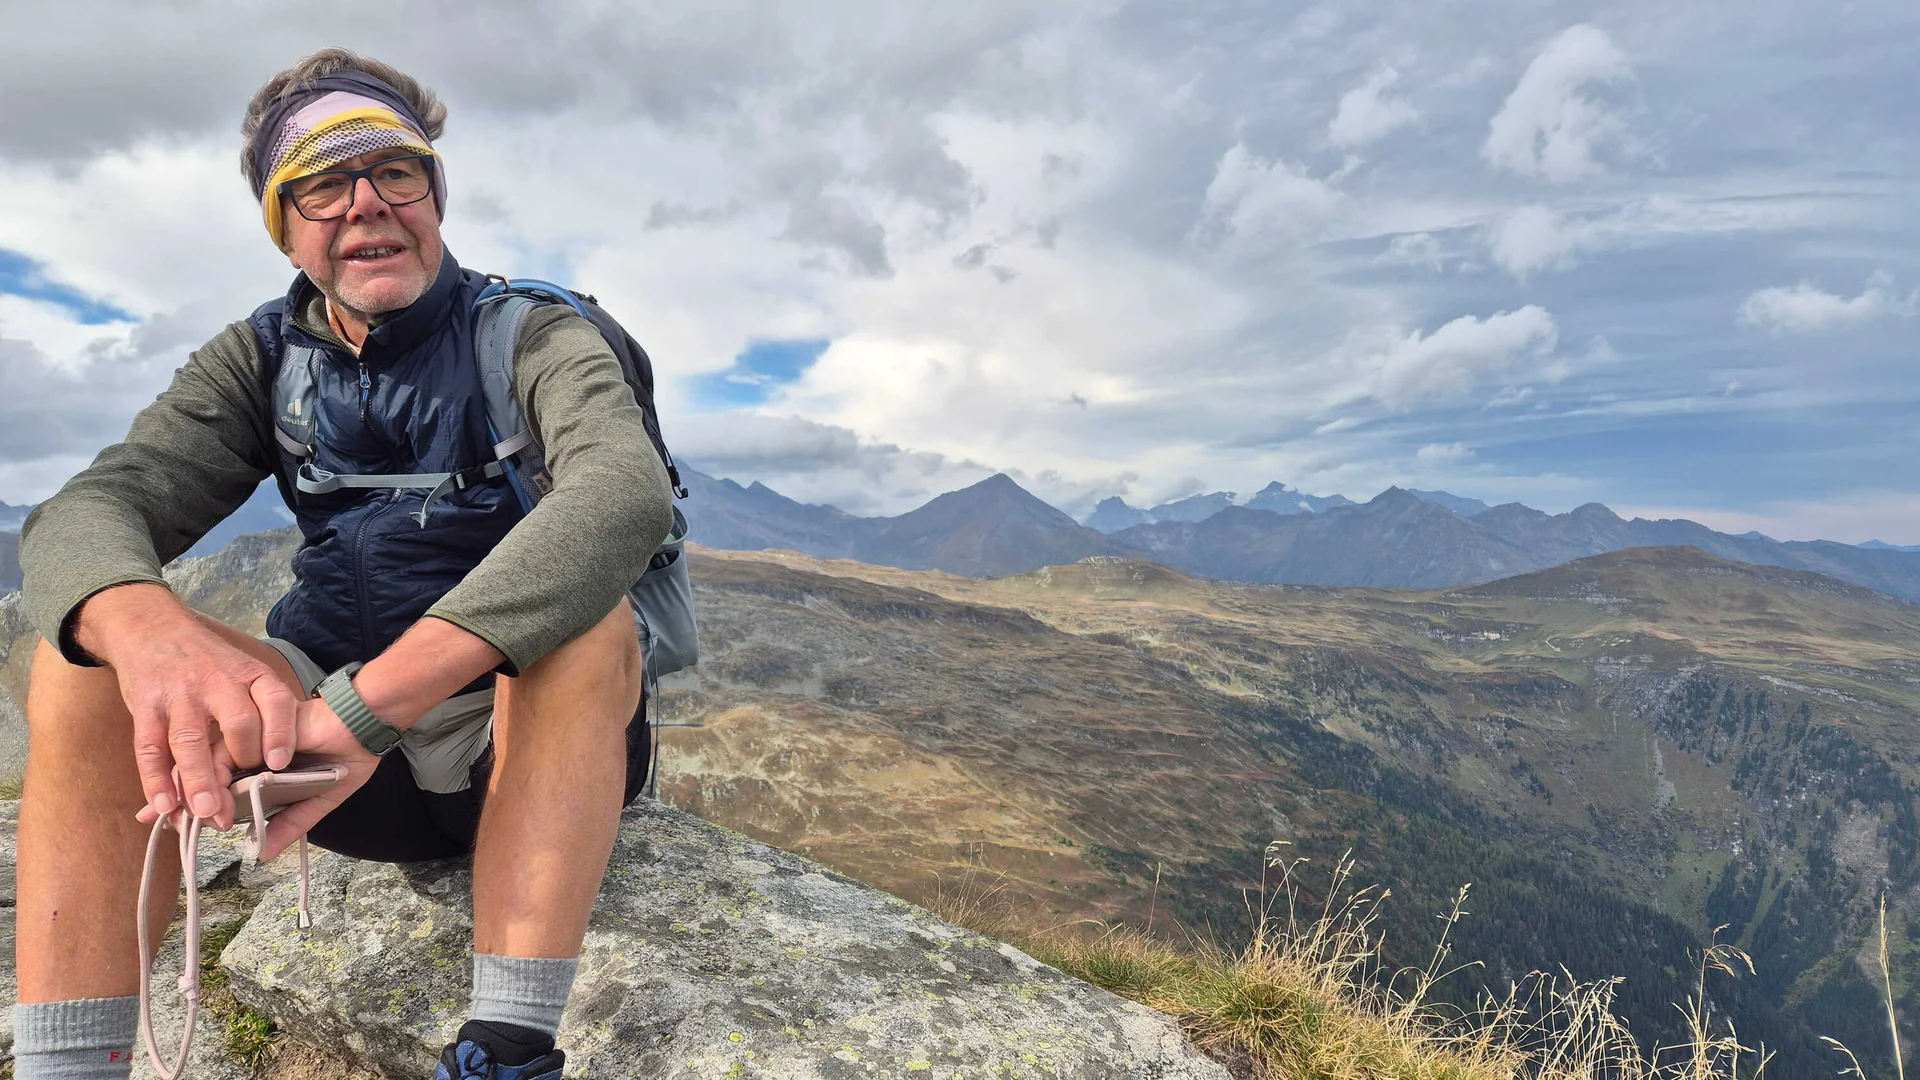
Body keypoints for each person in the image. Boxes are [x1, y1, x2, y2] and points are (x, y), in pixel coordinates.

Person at [12, 48, 674, 1080]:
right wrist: (145, 631)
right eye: (322, 185)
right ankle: (69, 1068)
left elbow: (620, 495)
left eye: (395, 172)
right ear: (284, 225)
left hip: (508, 746)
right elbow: (88, 511)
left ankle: (505, 1052)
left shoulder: (536, 336)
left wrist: (369, 708)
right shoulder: (261, 359)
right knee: (82, 655)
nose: (366, 205)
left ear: (433, 194)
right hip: (318, 770)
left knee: (591, 623)